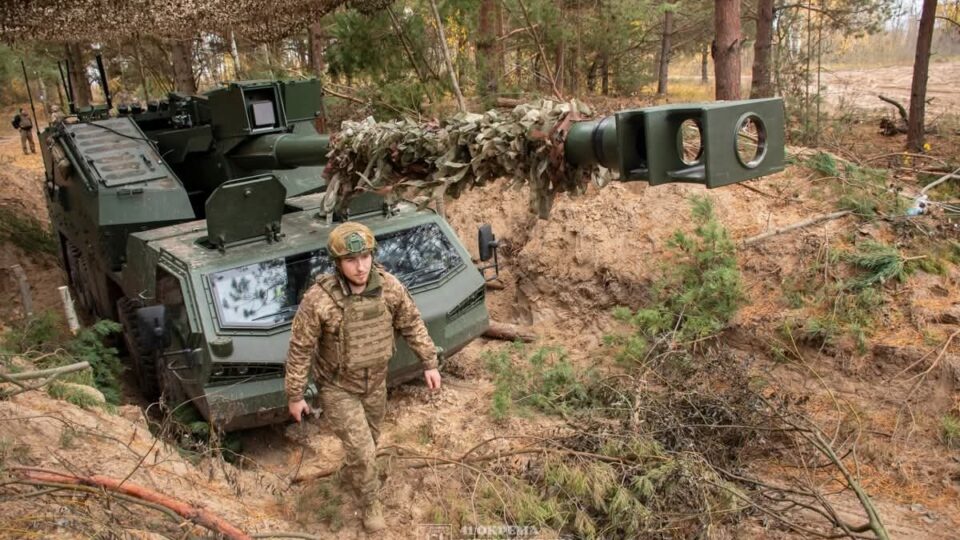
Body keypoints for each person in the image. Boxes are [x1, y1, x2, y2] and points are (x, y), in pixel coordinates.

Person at [284, 221, 442, 533]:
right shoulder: (320, 299)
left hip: (376, 383)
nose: (360, 266)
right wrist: (295, 394)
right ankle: (370, 503)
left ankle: (350, 473)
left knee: (370, 440)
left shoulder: (389, 287)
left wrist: (429, 362)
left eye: (366, 257)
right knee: (365, 452)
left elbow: (411, 322)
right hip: (338, 387)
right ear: (338, 263)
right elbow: (300, 347)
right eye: (351, 260)